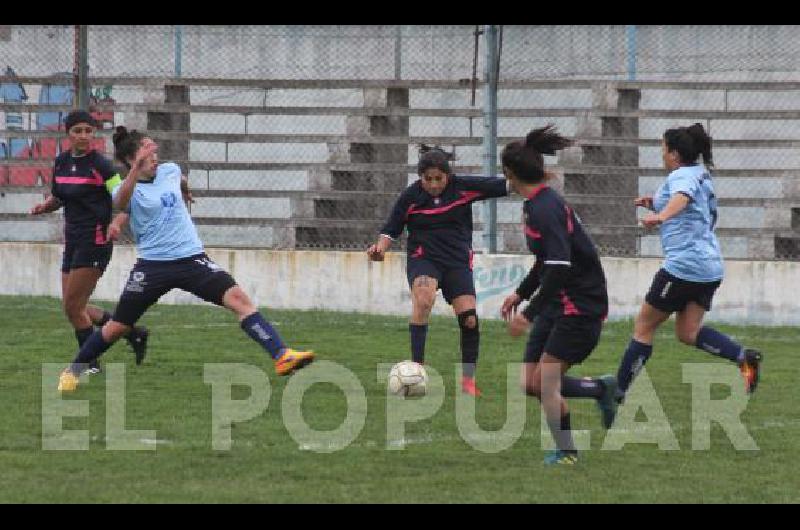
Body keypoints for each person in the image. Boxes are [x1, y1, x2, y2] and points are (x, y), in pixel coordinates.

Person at [57, 127, 314, 392]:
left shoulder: (169, 170)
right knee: (117, 327)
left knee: (240, 301)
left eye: (155, 152)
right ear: (133, 160)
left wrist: (185, 191)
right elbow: (121, 204)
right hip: (152, 267)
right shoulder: (126, 188)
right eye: (148, 153)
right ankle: (74, 369)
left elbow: (178, 178)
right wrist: (135, 169)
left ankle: (281, 355)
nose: (155, 157)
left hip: (191, 259)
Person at [613, 123, 762, 407]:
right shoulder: (700, 175)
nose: (662, 154)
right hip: (710, 267)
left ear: (674, 153)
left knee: (643, 326)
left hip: (684, 266)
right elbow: (690, 205)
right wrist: (654, 205)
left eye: (663, 149)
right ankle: (744, 358)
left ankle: (617, 391)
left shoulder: (681, 176)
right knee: (688, 332)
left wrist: (661, 217)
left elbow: (682, 198)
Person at [499, 125, 617, 466]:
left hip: (580, 306)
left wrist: (529, 313)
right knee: (529, 383)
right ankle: (600, 389)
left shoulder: (545, 208)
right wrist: (520, 294)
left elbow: (560, 267)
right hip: (557, 302)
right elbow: (547, 262)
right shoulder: (534, 204)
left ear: (509, 173)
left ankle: (567, 453)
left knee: (546, 383)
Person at [367, 146, 508, 396]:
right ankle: (416, 370)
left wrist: (530, 180)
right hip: (425, 258)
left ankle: (467, 381)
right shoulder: (410, 196)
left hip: (456, 262)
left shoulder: (462, 187)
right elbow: (391, 230)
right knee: (424, 299)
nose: (433, 184)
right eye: (427, 179)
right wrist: (380, 248)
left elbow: (503, 186)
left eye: (438, 179)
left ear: (448, 176)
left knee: (469, 319)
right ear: (420, 177)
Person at [30, 110, 148, 374]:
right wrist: (45, 207)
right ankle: (132, 333)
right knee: (74, 307)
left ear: (94, 133)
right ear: (68, 133)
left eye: (88, 130)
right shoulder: (61, 162)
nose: (83, 135)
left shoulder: (101, 166)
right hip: (72, 241)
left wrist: (117, 222)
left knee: (73, 306)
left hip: (95, 240)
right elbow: (61, 196)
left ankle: (89, 362)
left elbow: (121, 195)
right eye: (77, 131)